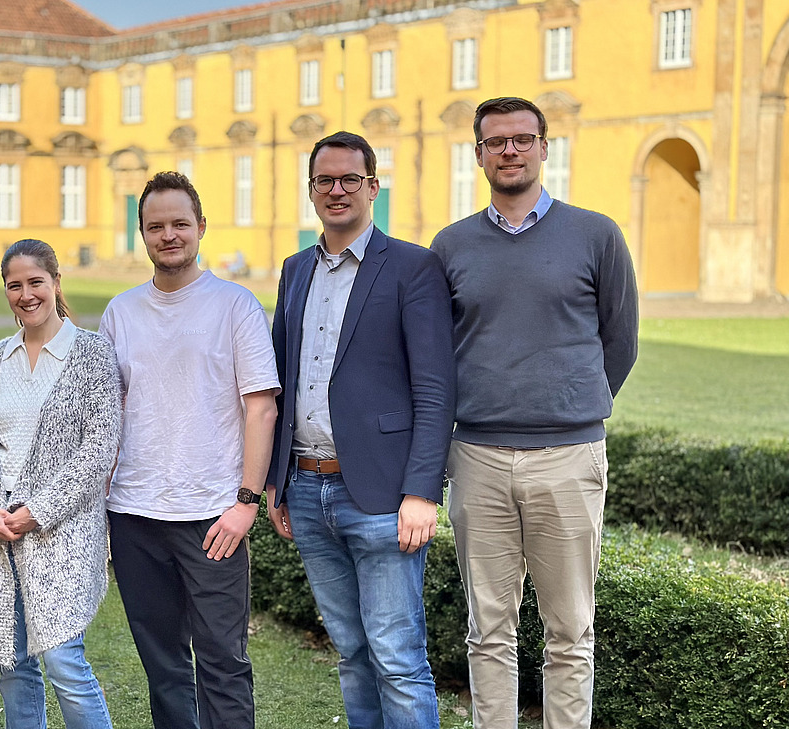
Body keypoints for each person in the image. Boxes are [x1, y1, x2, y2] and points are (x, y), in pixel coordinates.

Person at [430, 97, 638, 729]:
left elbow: (619, 341)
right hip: (479, 459)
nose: (511, 150)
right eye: (497, 142)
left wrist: (569, 403)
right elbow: (439, 353)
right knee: (487, 628)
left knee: (570, 630)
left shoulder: (596, 234)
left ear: (545, 148)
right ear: (479, 155)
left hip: (568, 458)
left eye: (523, 139)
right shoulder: (451, 245)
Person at [263, 131, 455, 728]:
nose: (337, 190)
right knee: (352, 653)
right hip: (306, 487)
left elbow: (434, 388)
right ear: (312, 192)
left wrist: (423, 491)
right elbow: (281, 376)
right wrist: (275, 482)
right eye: (325, 181)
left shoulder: (413, 266)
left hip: (380, 495)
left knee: (397, 658)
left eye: (350, 179)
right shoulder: (295, 271)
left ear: (373, 186)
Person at [99, 172, 279, 729]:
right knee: (165, 668)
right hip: (134, 516)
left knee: (224, 662)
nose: (169, 234)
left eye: (180, 223)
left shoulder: (235, 306)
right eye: (156, 226)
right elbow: (106, 415)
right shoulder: (120, 313)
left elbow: (261, 408)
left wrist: (246, 501)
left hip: (211, 516)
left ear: (201, 227)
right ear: (142, 235)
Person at [0, 239, 121, 729]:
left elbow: (98, 450)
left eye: (35, 282)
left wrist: (38, 511)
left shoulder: (91, 355)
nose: (26, 294)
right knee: (13, 663)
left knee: (65, 663)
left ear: (56, 283)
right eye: (14, 285)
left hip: (62, 532)